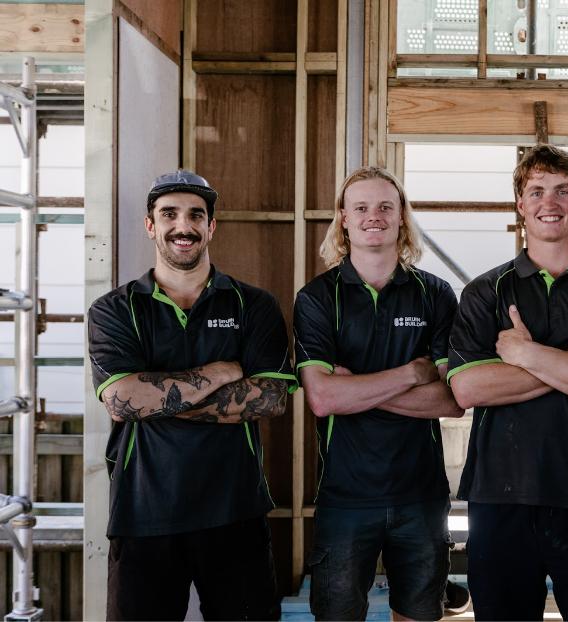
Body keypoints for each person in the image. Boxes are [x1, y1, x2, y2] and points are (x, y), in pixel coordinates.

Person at [447, 144, 568, 621]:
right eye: (536, 191)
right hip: (499, 496)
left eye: (562, 190)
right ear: (520, 203)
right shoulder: (485, 291)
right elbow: (468, 390)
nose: (549, 202)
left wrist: (526, 354)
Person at [87, 170, 296, 620]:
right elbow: (122, 400)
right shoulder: (113, 310)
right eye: (170, 214)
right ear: (151, 225)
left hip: (235, 509)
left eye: (196, 215)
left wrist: (161, 397)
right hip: (143, 512)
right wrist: (220, 373)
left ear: (211, 226)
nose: (184, 226)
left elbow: (270, 399)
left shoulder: (253, 305)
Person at [294, 167, 463, 621]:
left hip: (421, 498)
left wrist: (358, 388)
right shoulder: (316, 299)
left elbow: (452, 399)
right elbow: (323, 399)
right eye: (362, 207)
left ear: (402, 217)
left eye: (386, 207)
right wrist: (412, 372)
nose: (375, 216)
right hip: (346, 497)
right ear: (343, 219)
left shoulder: (436, 295)